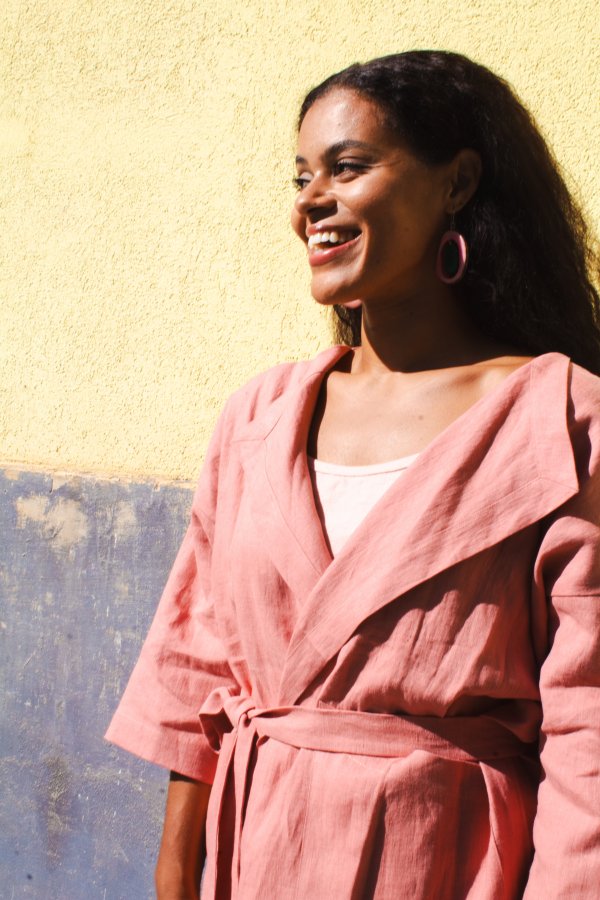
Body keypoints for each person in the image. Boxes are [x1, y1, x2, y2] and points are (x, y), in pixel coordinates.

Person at [106, 50, 600, 899]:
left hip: (447, 864)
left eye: (348, 167)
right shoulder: (260, 418)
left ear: (457, 182)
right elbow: (198, 668)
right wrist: (177, 872)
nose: (310, 200)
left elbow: (588, 724)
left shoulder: (560, 421)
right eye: (301, 176)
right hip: (257, 853)